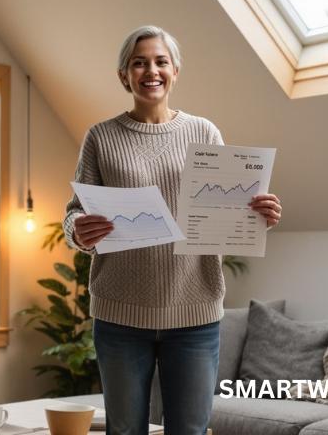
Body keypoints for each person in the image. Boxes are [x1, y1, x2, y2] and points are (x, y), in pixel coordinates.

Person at [63, 26, 282, 435]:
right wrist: (78, 230)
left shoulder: (204, 132)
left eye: (161, 61)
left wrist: (257, 214)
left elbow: (227, 207)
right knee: (125, 430)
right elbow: (75, 213)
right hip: (120, 316)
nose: (151, 71)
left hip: (195, 315)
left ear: (175, 71)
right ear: (124, 75)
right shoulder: (101, 137)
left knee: (190, 430)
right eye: (139, 62)